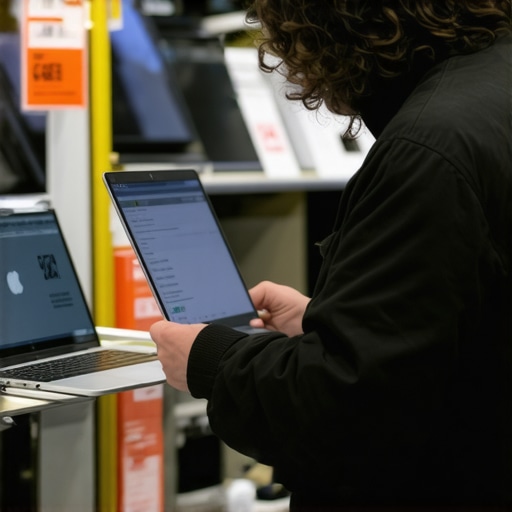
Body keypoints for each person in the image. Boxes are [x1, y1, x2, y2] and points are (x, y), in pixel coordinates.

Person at [150, 1, 512, 510]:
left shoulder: (427, 148)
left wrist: (212, 360)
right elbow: (458, 329)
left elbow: (348, 410)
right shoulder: (493, 86)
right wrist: (333, 321)